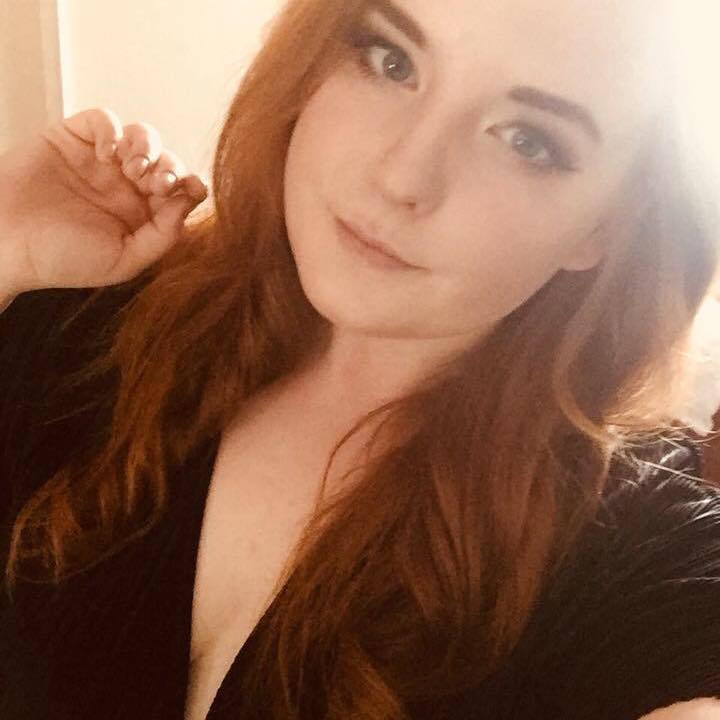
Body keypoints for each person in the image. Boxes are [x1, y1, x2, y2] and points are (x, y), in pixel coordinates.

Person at [0, 0, 719, 718]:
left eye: (528, 141)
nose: (400, 177)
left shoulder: (632, 546)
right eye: (390, 61)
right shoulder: (85, 323)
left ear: (603, 226)